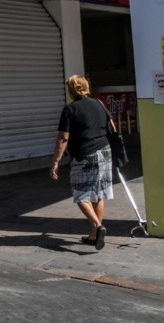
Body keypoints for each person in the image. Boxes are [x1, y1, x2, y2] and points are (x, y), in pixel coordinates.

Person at [49, 73, 116, 249]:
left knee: (81, 195)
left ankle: (98, 226)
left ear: (71, 90)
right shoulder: (99, 104)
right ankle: (94, 236)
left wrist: (56, 161)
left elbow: (63, 138)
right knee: (98, 194)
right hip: (105, 151)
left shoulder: (70, 109)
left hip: (85, 155)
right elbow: (113, 127)